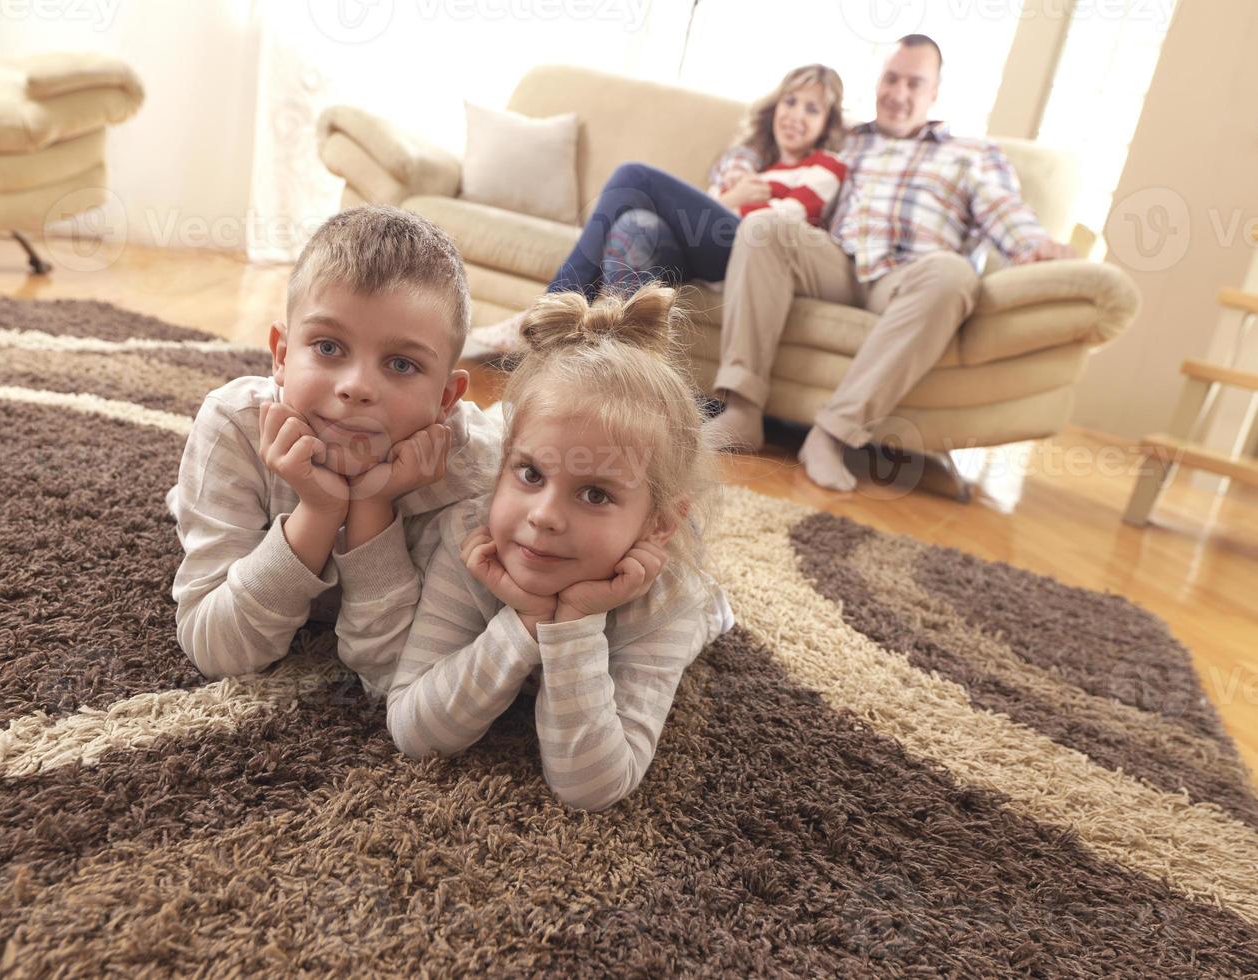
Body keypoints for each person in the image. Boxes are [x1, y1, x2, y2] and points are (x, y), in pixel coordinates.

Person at [388, 284, 735, 811]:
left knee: (712, 610)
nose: (544, 516)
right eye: (530, 473)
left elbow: (592, 788)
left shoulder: (667, 602)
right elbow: (415, 732)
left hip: (682, 603)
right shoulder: (471, 538)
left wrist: (572, 622)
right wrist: (525, 621)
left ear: (659, 524)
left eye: (595, 494)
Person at [703, 34, 1076, 491]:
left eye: (914, 83)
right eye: (891, 79)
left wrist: (1036, 246)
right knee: (764, 228)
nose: (899, 94)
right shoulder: (844, 141)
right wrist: (736, 172)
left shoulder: (971, 155)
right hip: (836, 262)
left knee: (954, 274)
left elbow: (1006, 212)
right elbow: (771, 149)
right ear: (878, 81)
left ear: (934, 92)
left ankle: (832, 434)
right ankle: (742, 411)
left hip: (909, 276)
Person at [165, 205, 501, 695]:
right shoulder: (235, 426)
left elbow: (394, 677)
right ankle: (188, 500)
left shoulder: (474, 480)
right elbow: (217, 650)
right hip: (238, 482)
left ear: (447, 399)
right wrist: (319, 512)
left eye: (402, 365)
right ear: (281, 355)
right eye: (327, 347)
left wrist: (371, 508)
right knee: (190, 505)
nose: (357, 387)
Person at [462, 63, 848, 360]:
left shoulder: (825, 168)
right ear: (775, 106)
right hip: (705, 254)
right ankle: (615, 361)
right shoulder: (747, 163)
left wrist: (731, 200)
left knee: (634, 177)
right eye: (791, 102)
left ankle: (546, 314)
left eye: (811, 109)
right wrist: (734, 195)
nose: (796, 115)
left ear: (827, 123)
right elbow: (708, 214)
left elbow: (777, 227)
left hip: (748, 257)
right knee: (635, 225)